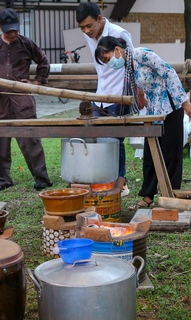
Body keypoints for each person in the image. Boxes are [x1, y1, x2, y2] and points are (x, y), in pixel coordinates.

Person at [94, 36, 191, 210]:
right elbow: (143, 84)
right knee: (150, 154)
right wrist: (141, 98)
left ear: (117, 50)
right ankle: (148, 195)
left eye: (107, 58)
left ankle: (172, 197)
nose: (108, 63)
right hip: (154, 111)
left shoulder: (142, 54)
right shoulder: (128, 67)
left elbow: (169, 73)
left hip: (171, 108)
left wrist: (184, 103)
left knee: (171, 155)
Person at [0, 8, 52, 191]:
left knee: (30, 140)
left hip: (22, 101)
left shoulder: (27, 44)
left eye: (16, 30)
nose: (13, 34)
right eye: (9, 30)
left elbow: (43, 62)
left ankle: (41, 177)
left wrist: (36, 81)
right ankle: (3, 179)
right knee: (0, 143)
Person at [76, 2, 133, 196]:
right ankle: (104, 180)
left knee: (115, 139)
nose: (86, 31)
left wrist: (135, 94)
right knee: (99, 138)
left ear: (99, 19)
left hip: (119, 94)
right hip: (100, 94)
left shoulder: (119, 33)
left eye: (89, 26)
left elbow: (132, 61)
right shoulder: (87, 35)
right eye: (82, 27)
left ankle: (121, 182)